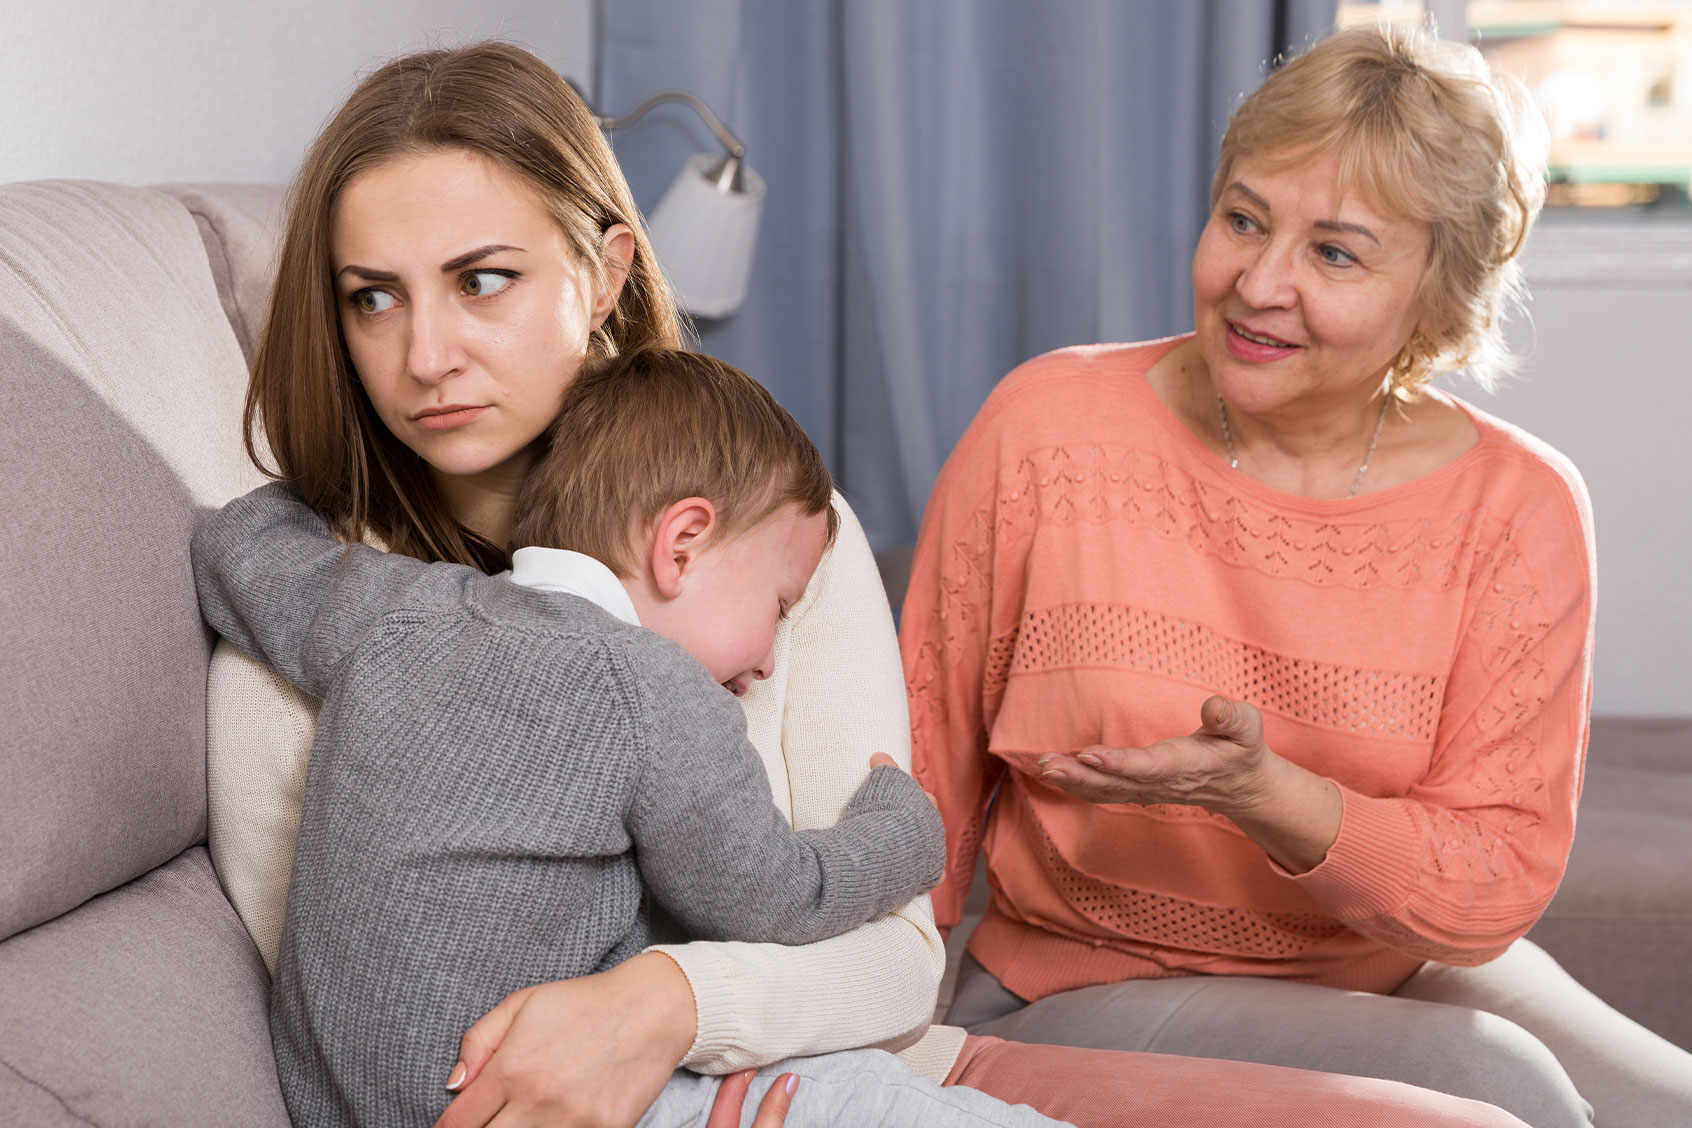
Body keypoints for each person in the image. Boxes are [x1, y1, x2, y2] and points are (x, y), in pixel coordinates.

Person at [209, 37, 1532, 1128]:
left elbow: (900, 954)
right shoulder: (325, 605)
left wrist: (664, 1001)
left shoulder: (782, 537)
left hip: (843, 1069)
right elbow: (339, 999)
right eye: (372, 299)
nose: (426, 352)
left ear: (606, 273)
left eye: (482, 282)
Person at [904, 20, 1692, 1128]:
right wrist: (875, 1034)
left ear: (1439, 297)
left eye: (1334, 252)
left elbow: (1488, 888)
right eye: (1242, 219)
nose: (1256, 284)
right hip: (1085, 980)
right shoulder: (1047, 429)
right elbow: (917, 768)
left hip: (1392, 965)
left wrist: (1268, 799)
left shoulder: (1519, 507)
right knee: (1505, 1092)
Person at [193, 347, 1079, 1128]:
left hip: (334, 1105)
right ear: (682, 543)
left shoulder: (397, 611)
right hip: (551, 1099)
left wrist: (355, 469)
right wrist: (905, 828)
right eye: (776, 605)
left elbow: (237, 546)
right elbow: (776, 901)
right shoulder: (654, 688)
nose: (769, 660)